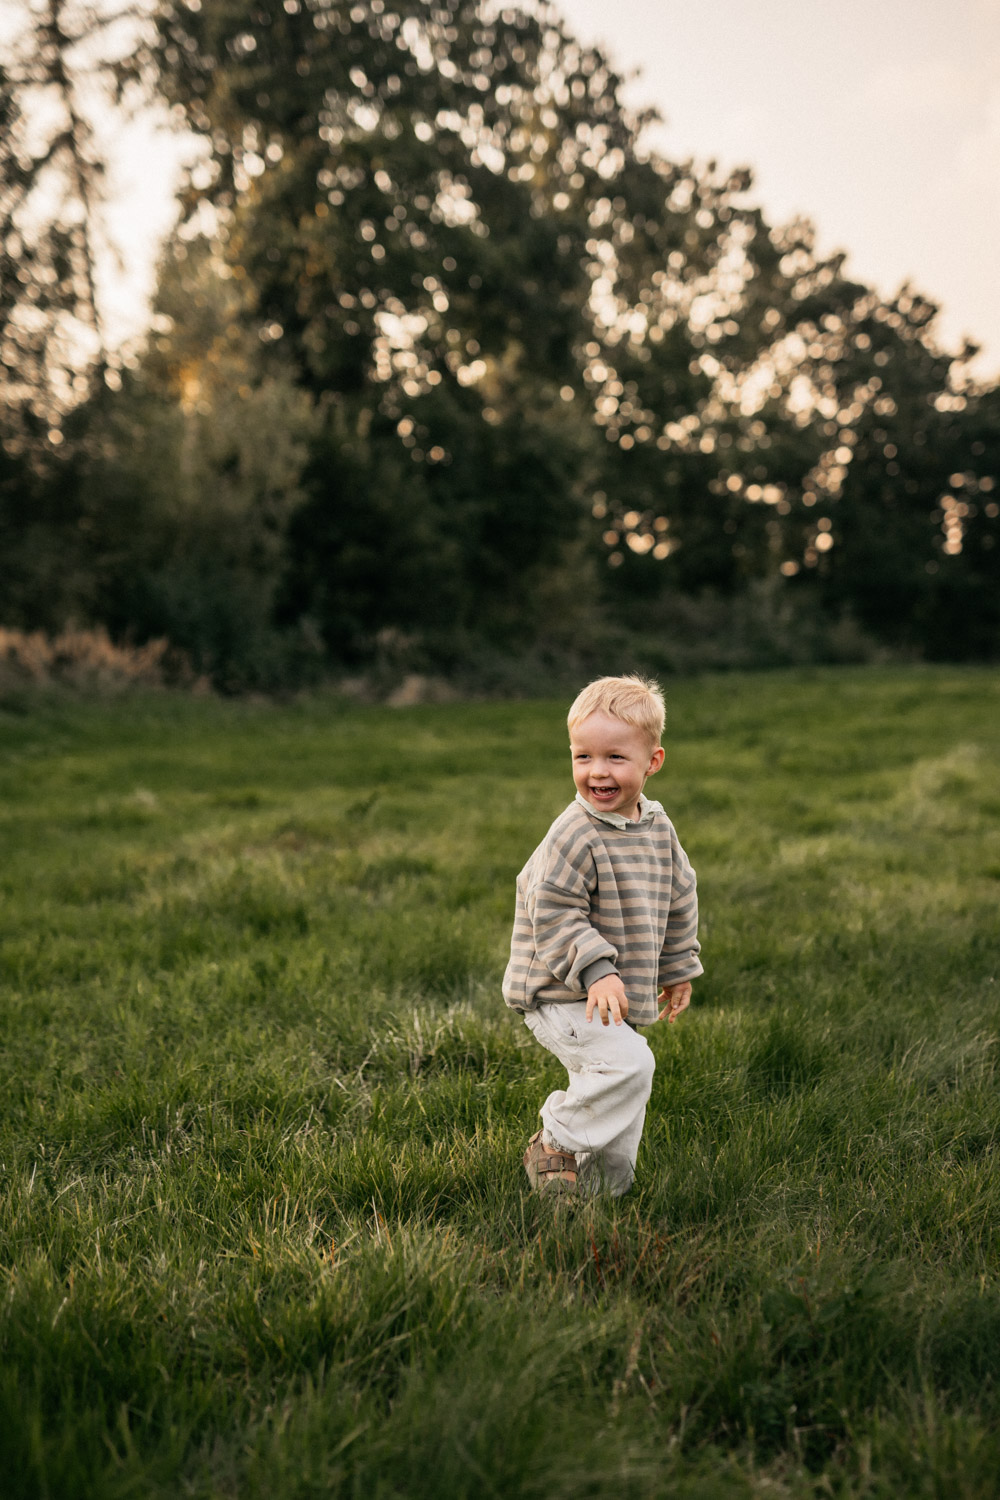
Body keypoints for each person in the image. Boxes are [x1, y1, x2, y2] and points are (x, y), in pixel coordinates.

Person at [502, 674, 703, 1196]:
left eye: (615, 757)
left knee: (625, 1095)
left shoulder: (658, 829)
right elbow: (554, 910)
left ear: (652, 761)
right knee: (630, 1064)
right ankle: (556, 1142)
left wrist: (678, 966)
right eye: (582, 757)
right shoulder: (574, 833)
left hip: (610, 994)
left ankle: (598, 1199)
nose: (597, 772)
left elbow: (679, 895)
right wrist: (598, 971)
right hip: (559, 991)